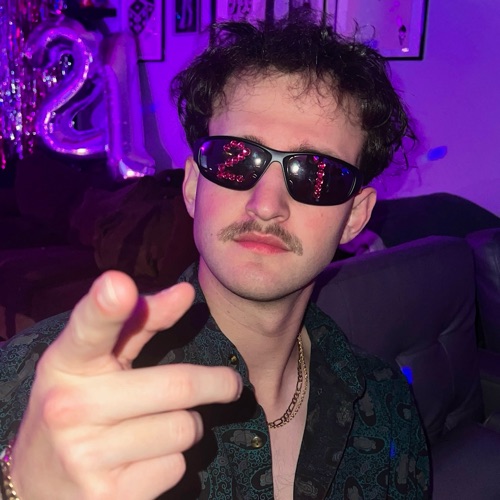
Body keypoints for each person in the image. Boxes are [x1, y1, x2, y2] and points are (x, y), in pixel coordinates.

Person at [0, 12, 430, 499]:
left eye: (316, 175)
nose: (265, 205)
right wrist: (22, 487)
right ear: (191, 186)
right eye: (235, 159)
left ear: (354, 217)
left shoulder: (387, 403)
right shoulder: (41, 382)